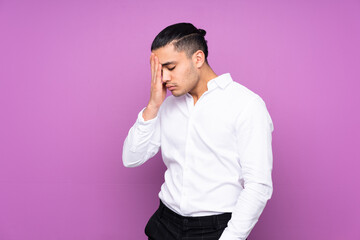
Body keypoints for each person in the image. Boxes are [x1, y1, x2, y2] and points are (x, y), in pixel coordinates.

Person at [122, 22, 274, 240]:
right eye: (159, 70)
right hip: (164, 224)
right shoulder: (166, 105)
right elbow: (131, 158)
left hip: (215, 229)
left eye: (170, 67)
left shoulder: (247, 105)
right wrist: (153, 105)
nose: (163, 78)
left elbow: (258, 185)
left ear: (198, 59)